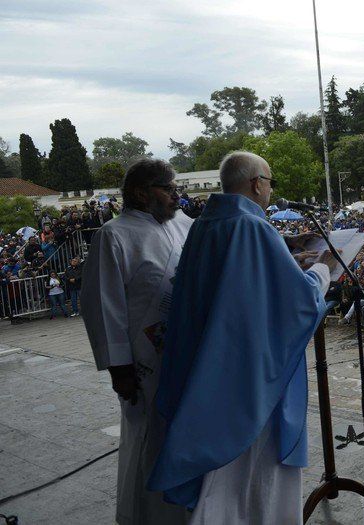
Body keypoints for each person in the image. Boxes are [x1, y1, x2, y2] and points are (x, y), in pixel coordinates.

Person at [148, 151, 334, 523]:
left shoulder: (207, 223)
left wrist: (285, 249)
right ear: (256, 183)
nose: (269, 190)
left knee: (218, 481)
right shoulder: (252, 227)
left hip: (208, 364)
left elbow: (242, 283)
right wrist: (323, 272)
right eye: (270, 182)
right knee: (252, 474)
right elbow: (295, 303)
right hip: (246, 376)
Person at [82, 158, 193, 525]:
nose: (177, 196)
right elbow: (103, 305)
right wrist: (120, 368)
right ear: (142, 192)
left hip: (186, 353)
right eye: (169, 189)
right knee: (150, 439)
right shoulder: (113, 235)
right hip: (144, 363)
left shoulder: (182, 224)